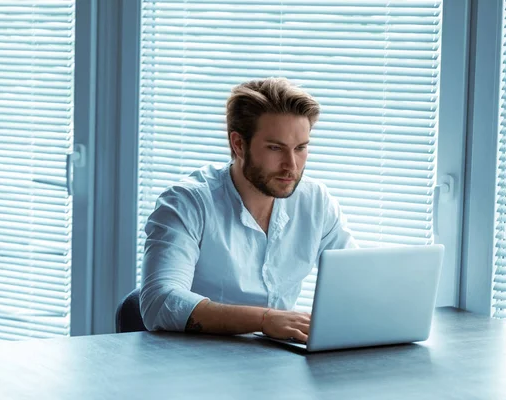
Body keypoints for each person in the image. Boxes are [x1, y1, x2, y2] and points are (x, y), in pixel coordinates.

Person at [140, 77, 357, 343]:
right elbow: (160, 303)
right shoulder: (187, 203)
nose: (291, 165)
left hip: (277, 360)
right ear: (239, 144)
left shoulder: (315, 202)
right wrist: (265, 320)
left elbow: (355, 283)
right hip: (195, 362)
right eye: (275, 148)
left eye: (300, 148)